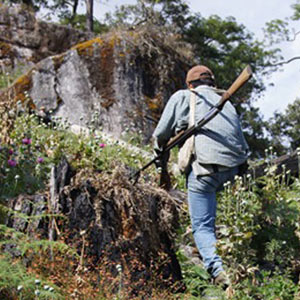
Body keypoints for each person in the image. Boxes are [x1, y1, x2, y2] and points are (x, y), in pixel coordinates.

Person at [152, 65, 249, 289]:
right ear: (211, 83)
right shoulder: (226, 102)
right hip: (232, 170)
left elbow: (160, 135)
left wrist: (160, 161)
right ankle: (214, 250)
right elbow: (241, 141)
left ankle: (220, 273)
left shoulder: (183, 96)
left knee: (203, 226)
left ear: (189, 84)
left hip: (204, 168)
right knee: (211, 216)